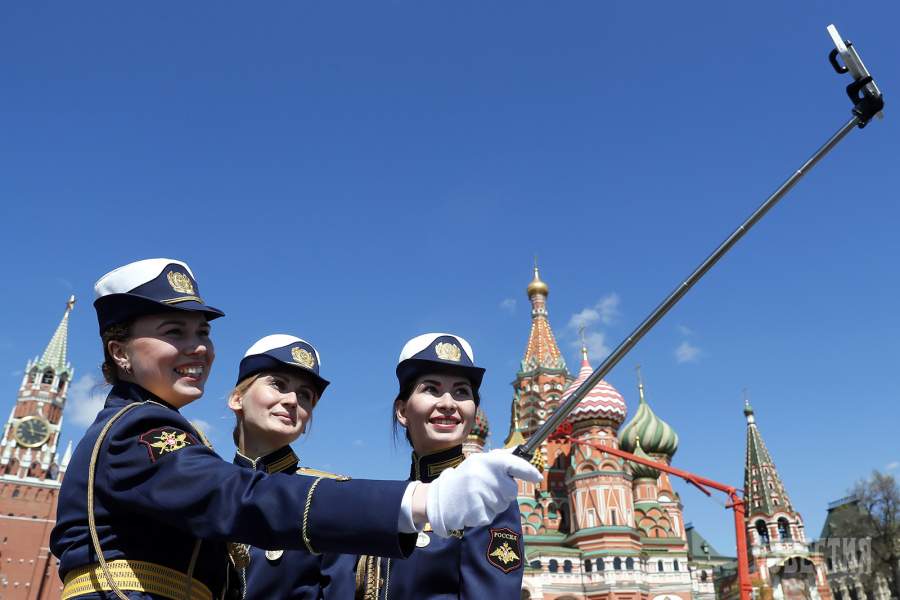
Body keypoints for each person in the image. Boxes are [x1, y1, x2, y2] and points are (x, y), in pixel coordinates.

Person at [50, 259, 541, 600]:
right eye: (174, 332)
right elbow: (236, 497)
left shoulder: (158, 431)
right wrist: (424, 502)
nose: (198, 348)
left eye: (203, 333)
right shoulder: (140, 429)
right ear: (120, 352)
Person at [352, 333, 527, 599]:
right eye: (431, 389)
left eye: (461, 392)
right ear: (402, 411)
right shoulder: (389, 501)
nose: (448, 403)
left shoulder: (487, 498)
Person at [228, 334, 354, 599]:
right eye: (278, 384)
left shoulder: (327, 497)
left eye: (305, 395)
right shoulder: (201, 486)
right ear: (237, 398)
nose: (292, 400)